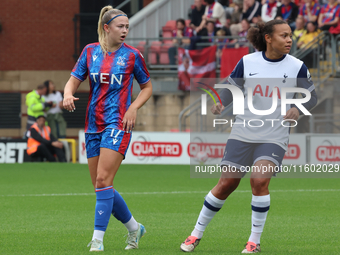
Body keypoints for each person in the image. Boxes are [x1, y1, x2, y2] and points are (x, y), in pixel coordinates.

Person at [180, 19, 317, 253]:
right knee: (226, 184)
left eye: (290, 35)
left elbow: (312, 97)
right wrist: (219, 103)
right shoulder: (247, 62)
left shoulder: (297, 66)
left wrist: (298, 108)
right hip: (243, 131)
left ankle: (254, 242)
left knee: (259, 181)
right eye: (283, 35)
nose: (289, 40)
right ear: (268, 38)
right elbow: (231, 88)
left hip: (274, 135)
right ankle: (195, 234)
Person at [63, 6, 152, 252]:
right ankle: (135, 228)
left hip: (118, 122)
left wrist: (133, 108)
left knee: (103, 180)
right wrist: (68, 94)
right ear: (106, 28)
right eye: (120, 27)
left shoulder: (133, 55)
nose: (125, 31)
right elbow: (73, 79)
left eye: (127, 27)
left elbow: (147, 87)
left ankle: (97, 241)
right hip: (93, 124)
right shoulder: (90, 51)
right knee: (101, 186)